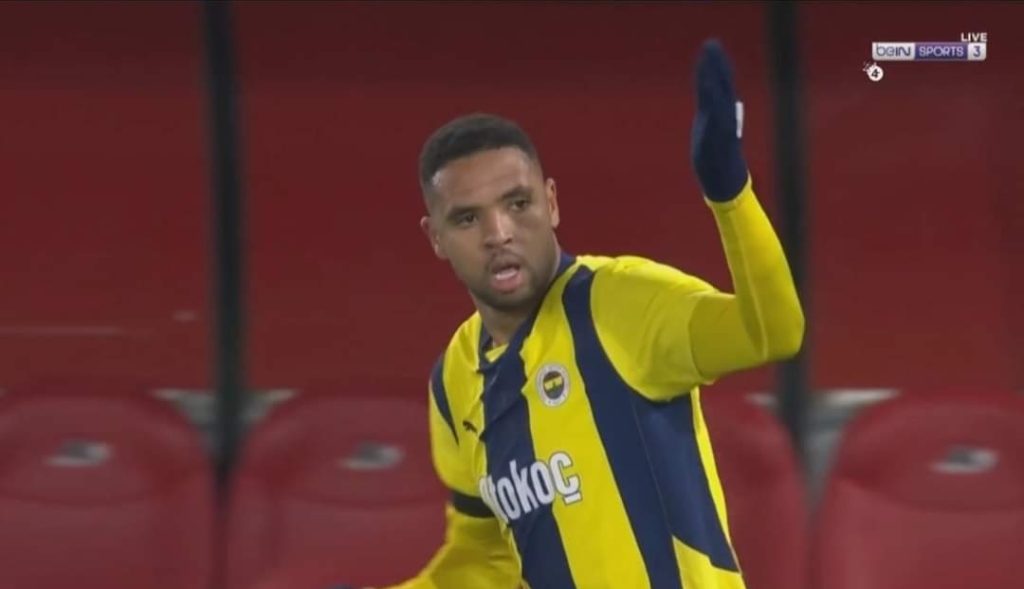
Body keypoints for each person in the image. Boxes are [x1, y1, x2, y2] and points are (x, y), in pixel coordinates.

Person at [379, 39, 804, 589]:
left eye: (518, 204)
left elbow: (772, 332)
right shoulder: (453, 381)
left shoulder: (617, 304)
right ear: (435, 237)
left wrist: (731, 195)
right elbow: (484, 558)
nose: (498, 233)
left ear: (552, 202)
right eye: (467, 219)